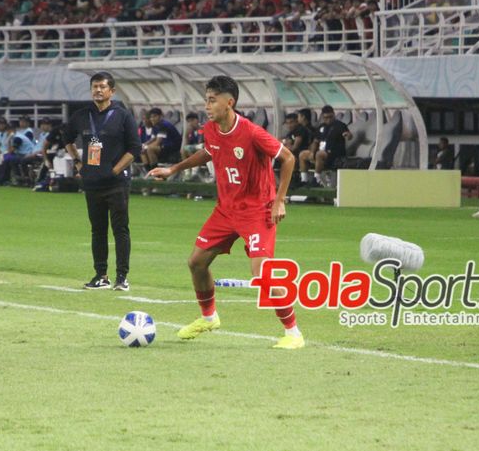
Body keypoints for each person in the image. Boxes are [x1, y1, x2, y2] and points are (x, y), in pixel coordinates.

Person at [147, 75, 303, 349]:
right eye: (206, 99)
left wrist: (280, 200)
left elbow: (288, 158)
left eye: (212, 100)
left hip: (257, 211)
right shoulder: (211, 129)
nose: (207, 105)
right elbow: (209, 152)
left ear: (229, 102)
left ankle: (293, 333)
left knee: (262, 274)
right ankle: (209, 317)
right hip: (226, 210)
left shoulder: (252, 132)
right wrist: (174, 169)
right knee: (196, 262)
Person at [63, 71, 141, 290]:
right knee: (97, 230)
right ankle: (101, 275)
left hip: (116, 184)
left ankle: (122, 277)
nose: (97, 90)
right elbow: (66, 138)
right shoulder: (81, 115)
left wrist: (115, 170)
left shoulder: (122, 115)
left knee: (120, 229)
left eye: (102, 87)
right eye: (94, 87)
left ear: (112, 91)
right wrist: (78, 162)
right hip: (92, 182)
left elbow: (135, 148)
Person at [298, 105, 352, 187]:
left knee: (319, 154)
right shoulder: (321, 127)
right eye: (326, 117)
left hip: (334, 153)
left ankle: (317, 179)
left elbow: (348, 135)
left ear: (334, 115)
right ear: (323, 117)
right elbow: (315, 141)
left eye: (330, 117)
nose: (328, 119)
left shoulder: (340, 125)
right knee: (303, 154)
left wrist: (348, 135)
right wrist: (312, 152)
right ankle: (304, 180)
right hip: (320, 152)